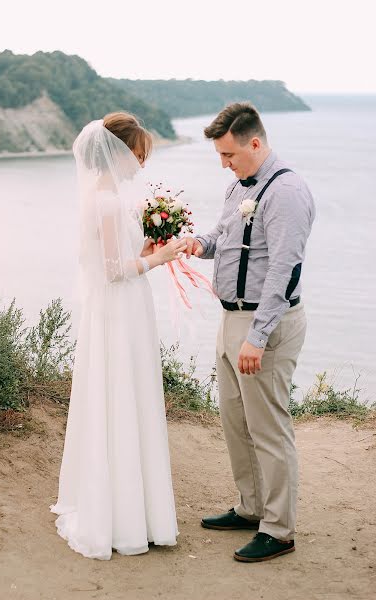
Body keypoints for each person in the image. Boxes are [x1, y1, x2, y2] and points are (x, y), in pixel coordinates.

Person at [184, 102, 315, 562]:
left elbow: (283, 270)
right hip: (231, 317)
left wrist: (257, 337)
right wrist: (198, 244)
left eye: (229, 154)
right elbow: (224, 236)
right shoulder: (238, 186)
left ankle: (279, 530)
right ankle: (252, 507)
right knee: (235, 422)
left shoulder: (288, 191)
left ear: (255, 143)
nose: (224, 163)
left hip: (266, 323)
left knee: (268, 428)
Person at [50, 112, 185, 560]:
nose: (140, 163)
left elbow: (115, 259)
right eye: (138, 154)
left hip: (119, 309)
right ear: (120, 151)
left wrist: (143, 251)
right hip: (119, 310)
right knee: (122, 398)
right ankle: (125, 517)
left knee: (120, 398)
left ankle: (130, 510)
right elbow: (111, 273)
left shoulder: (104, 197)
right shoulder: (106, 202)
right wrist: (160, 257)